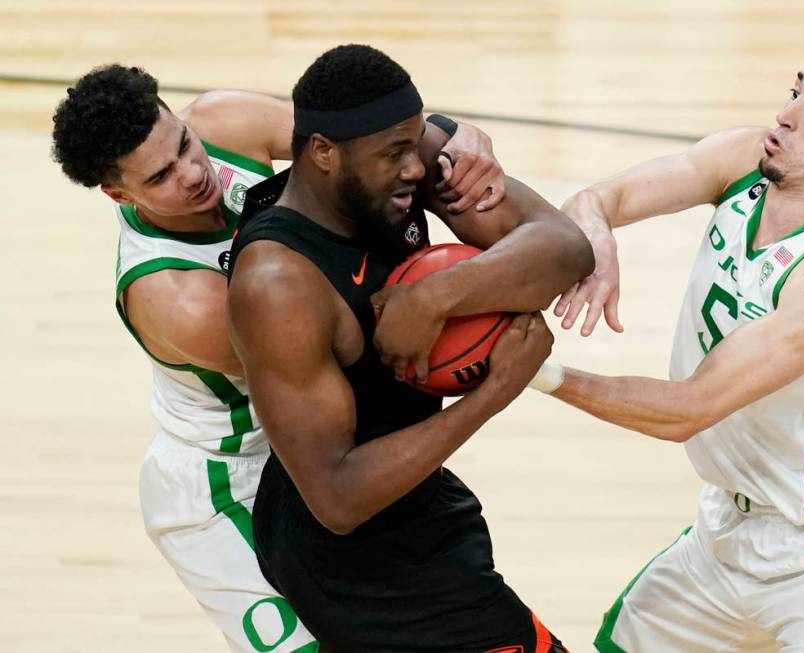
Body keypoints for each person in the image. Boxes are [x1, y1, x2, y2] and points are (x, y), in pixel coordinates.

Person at [51, 63, 506, 652]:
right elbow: (353, 334)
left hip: (315, 443)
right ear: (119, 194)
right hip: (227, 484)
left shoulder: (225, 119)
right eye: (161, 176)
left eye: (184, 144)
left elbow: (352, 145)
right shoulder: (173, 296)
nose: (193, 173)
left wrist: (450, 133)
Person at [542, 39, 804, 652]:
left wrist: (537, 373)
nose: (788, 114)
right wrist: (596, 238)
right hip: (723, 533)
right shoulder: (745, 160)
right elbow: (596, 199)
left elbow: (688, 409)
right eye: (795, 91)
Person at [225, 44, 594, 653]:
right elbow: (337, 499)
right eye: (394, 154)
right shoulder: (279, 284)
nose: (418, 168)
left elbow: (562, 246)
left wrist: (435, 298)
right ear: (323, 153)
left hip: (415, 499)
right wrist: (494, 393)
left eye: (415, 143)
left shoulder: (392, 167)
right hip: (356, 562)